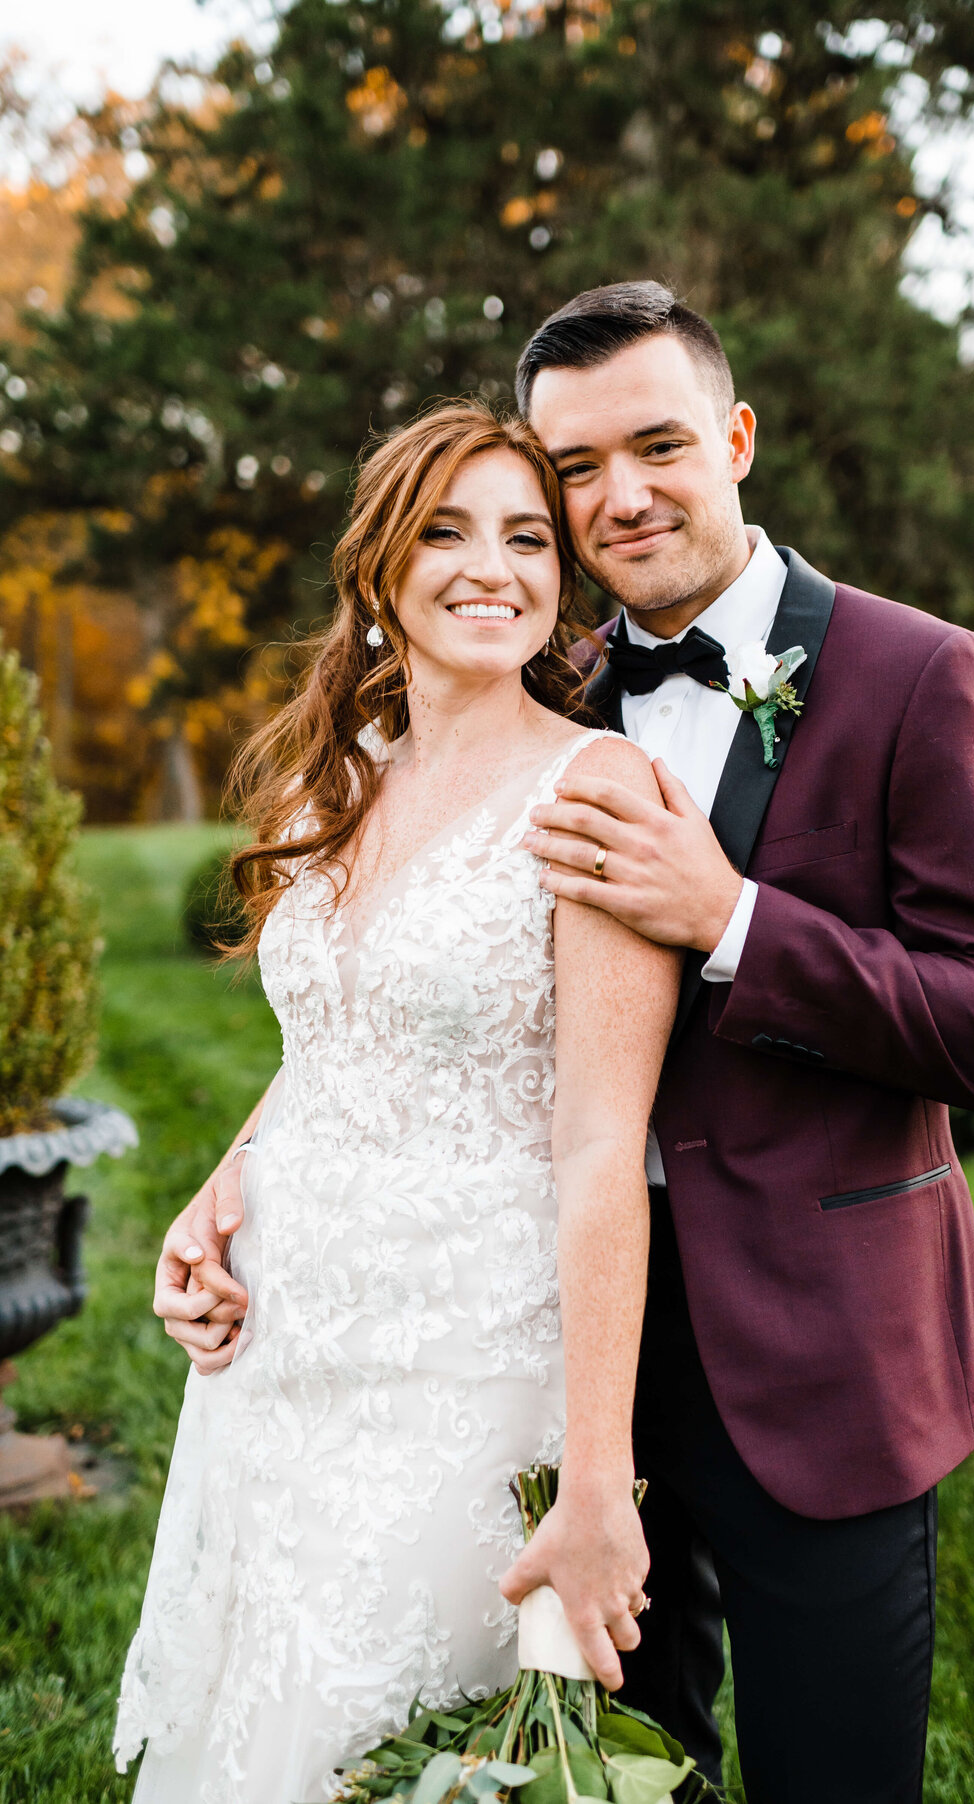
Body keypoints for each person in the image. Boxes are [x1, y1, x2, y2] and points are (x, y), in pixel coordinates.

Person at [509, 282, 974, 1802]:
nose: (618, 497)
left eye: (659, 444)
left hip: (829, 1348)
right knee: (627, 1767)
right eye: (572, 468)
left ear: (737, 438)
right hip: (578, 1347)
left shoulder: (924, 675)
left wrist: (739, 919)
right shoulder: (537, 694)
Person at [114, 402, 681, 1803]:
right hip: (286, 1357)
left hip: (470, 1373)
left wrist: (600, 1480)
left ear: (561, 578)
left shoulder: (593, 785)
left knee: (388, 1742)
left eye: (527, 538)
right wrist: (217, 1192)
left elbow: (608, 1141)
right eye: (446, 531)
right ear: (380, 567)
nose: (490, 567)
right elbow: (332, 1046)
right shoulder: (350, 781)